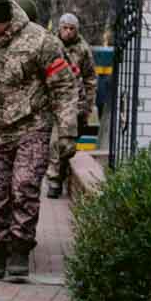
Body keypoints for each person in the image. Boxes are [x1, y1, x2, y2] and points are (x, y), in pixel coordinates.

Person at [0, 0, 78, 281]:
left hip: (32, 126)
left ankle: (19, 250)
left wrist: (67, 131)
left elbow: (63, 88)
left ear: (8, 20)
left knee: (24, 187)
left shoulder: (41, 41)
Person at [46, 13, 96, 199]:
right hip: (53, 101)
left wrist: (88, 105)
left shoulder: (83, 49)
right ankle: (53, 180)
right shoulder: (51, 44)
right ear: (59, 28)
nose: (67, 32)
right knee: (54, 142)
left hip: (75, 103)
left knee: (68, 145)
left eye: (71, 28)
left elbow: (90, 78)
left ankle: (60, 173)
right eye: (65, 28)